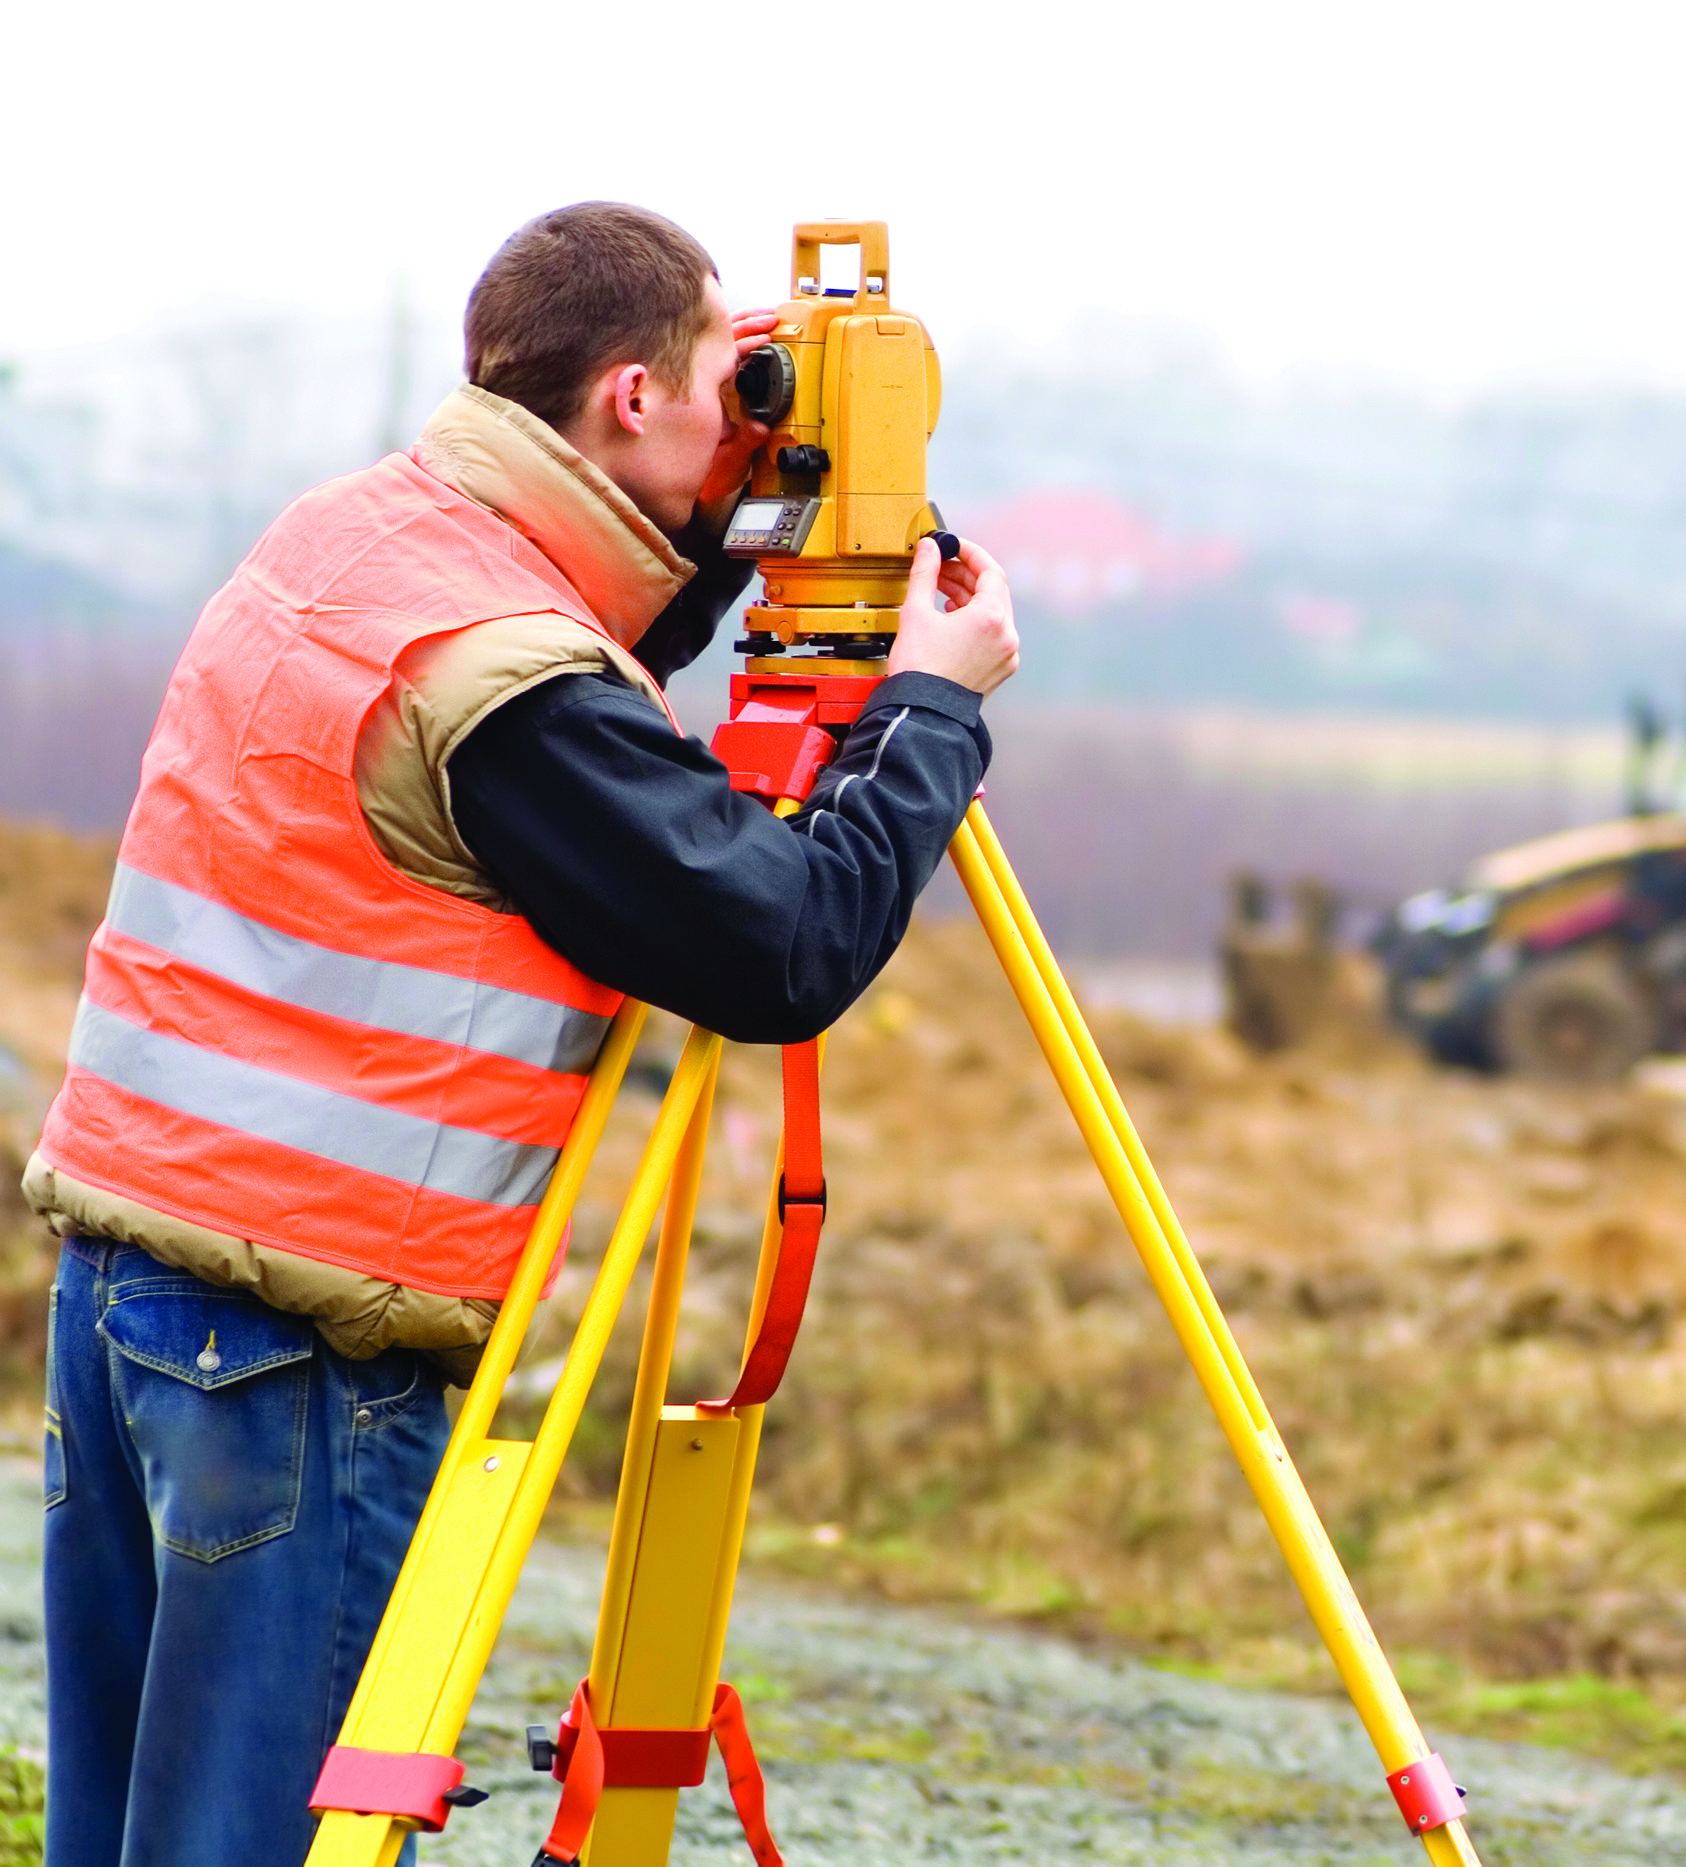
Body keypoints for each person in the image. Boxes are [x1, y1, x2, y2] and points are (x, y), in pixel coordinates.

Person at [26, 201, 1018, 1867]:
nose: (752, 411)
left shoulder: (357, 540)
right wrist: (931, 706)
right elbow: (784, 945)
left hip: (128, 1300)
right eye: (734, 376)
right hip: (299, 1349)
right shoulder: (512, 682)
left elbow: (569, 676)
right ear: (634, 397)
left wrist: (735, 534)